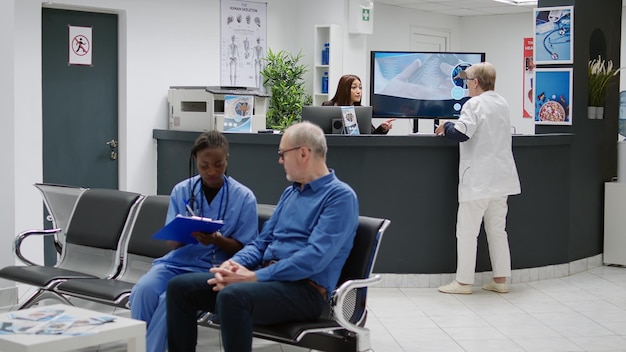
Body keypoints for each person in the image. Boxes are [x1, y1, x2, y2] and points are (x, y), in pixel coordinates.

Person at [166, 121, 359, 352]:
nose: (279, 160)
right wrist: (233, 264)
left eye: (282, 153)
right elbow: (261, 243)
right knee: (179, 288)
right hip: (269, 281)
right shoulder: (290, 193)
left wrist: (255, 278)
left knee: (232, 296)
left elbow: (314, 258)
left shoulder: (340, 197)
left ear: (303, 153)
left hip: (304, 291)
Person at [129, 130, 258, 352]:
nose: (211, 171)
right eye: (204, 165)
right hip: (177, 262)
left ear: (227, 158)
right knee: (143, 291)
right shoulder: (182, 190)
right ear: (195, 162)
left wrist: (217, 240)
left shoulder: (244, 197)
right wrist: (185, 232)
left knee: (167, 301)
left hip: (212, 269)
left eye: (218, 164)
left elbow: (247, 247)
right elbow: (172, 244)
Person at [434, 62, 521, 295]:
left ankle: (463, 283)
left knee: (467, 231)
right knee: (497, 230)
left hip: (479, 179)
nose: (465, 85)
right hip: (501, 178)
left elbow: (461, 133)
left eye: (466, 81)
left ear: (475, 82)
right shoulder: (501, 102)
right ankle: (500, 280)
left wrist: (446, 125)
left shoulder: (473, 104)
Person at [322, 74, 395, 134]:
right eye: (354, 87)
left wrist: (382, 128)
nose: (358, 91)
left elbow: (371, 136)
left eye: (360, 88)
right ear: (344, 90)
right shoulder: (328, 106)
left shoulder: (361, 111)